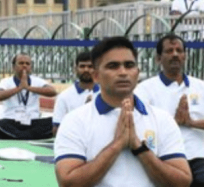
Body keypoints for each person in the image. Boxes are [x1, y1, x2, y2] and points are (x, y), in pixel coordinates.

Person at [55, 36, 192, 187]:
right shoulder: (75, 120)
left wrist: (139, 148)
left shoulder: (162, 119)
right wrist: (117, 145)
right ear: (96, 76)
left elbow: (182, 181)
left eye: (129, 65)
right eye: (113, 66)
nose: (123, 72)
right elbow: (68, 182)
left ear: (137, 73)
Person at [136, 34, 204, 186]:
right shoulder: (145, 89)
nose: (175, 54)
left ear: (185, 56)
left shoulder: (200, 86)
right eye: (169, 51)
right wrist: (171, 122)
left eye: (179, 51)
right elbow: (138, 123)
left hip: (198, 156)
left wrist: (191, 122)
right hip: (163, 156)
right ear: (158, 58)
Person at [0, 52, 57, 140]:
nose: (24, 66)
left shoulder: (37, 81)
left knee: (54, 121)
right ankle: (29, 136)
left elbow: (52, 91)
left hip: (33, 122)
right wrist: (19, 88)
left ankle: (19, 136)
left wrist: (28, 88)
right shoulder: (6, 82)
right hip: (12, 121)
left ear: (31, 66)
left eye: (27, 63)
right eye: (21, 63)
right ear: (14, 67)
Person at [53, 51, 99, 136]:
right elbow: (56, 128)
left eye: (90, 66)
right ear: (75, 69)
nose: (86, 70)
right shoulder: (64, 96)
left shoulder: (107, 94)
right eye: (82, 66)